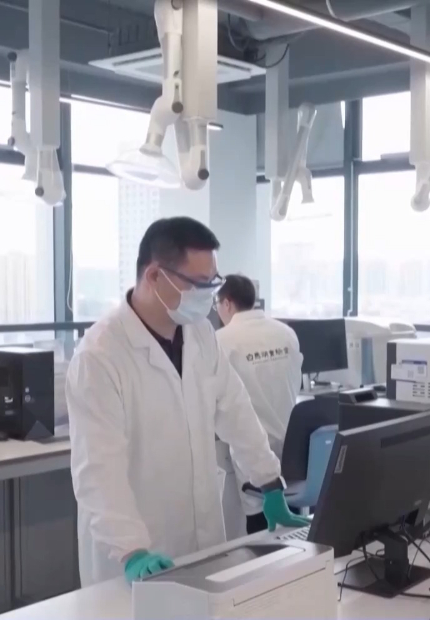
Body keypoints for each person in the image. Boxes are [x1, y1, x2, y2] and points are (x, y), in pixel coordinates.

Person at [66, 217, 309, 586]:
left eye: (212, 283)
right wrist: (132, 550)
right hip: (135, 556)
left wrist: (269, 481)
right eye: (197, 284)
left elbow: (236, 409)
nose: (207, 296)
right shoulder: (100, 357)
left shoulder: (200, 333)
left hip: (203, 542)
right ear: (154, 276)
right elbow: (98, 471)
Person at [215, 274, 304, 534]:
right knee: (292, 527)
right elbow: (296, 381)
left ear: (227, 303)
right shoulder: (286, 333)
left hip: (252, 451)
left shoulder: (221, 340)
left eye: (216, 304)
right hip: (292, 449)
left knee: (261, 527)